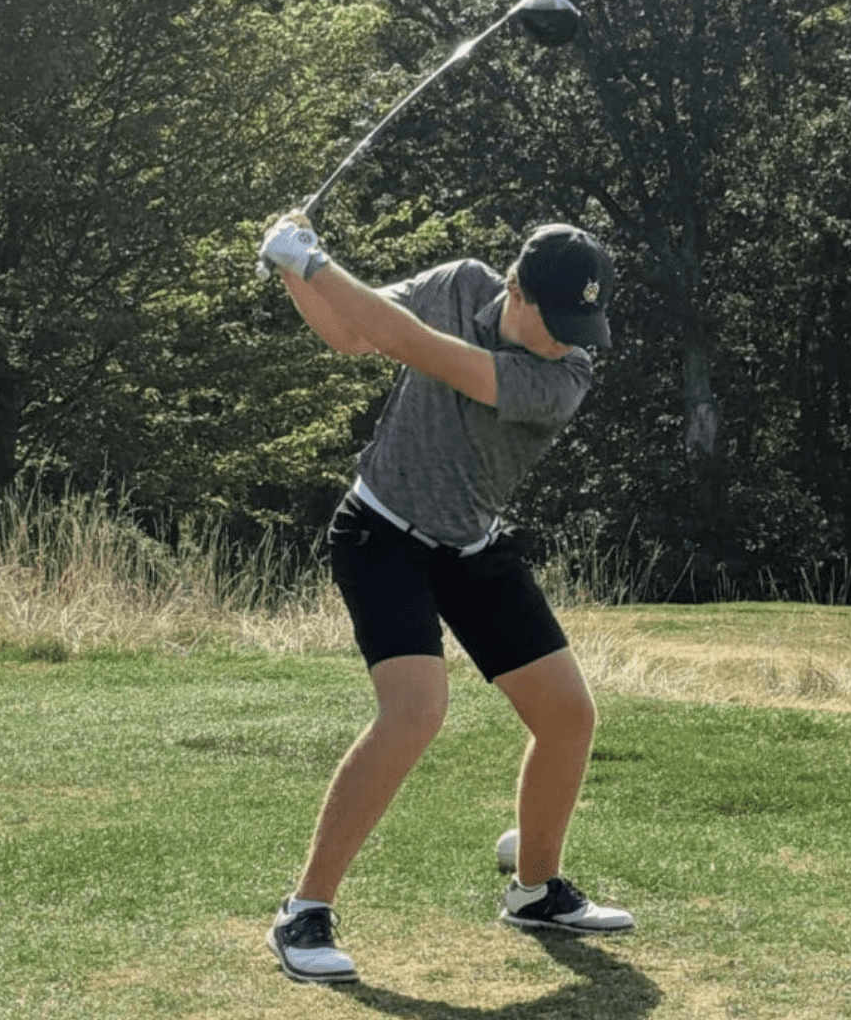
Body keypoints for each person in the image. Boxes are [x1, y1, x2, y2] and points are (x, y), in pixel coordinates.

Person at [256, 212, 634, 984]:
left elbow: (421, 349)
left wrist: (315, 259)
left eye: (582, 325)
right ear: (514, 288)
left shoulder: (562, 378)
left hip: (472, 546)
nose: (569, 340)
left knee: (567, 716)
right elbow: (355, 332)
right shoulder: (456, 283)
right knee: (415, 711)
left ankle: (534, 891)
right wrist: (296, 269)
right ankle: (303, 914)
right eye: (558, 321)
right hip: (380, 535)